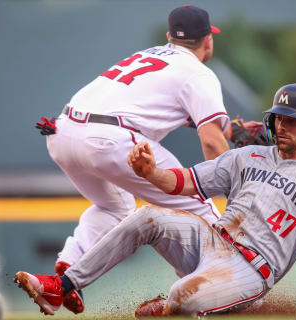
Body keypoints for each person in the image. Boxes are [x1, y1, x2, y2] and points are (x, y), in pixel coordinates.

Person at [15, 83, 296, 317]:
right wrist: (151, 174)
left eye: (292, 120)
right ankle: (62, 284)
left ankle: (173, 307)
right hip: (211, 240)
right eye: (279, 117)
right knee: (148, 217)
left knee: (181, 296)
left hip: (251, 268)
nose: (282, 125)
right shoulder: (248, 156)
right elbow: (188, 181)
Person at [34, 4, 262, 314]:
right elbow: (210, 141)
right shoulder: (198, 73)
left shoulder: (150, 55)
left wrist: (229, 128)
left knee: (114, 206)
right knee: (197, 203)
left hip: (62, 132)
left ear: (170, 37)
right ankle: (218, 294)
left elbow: (173, 109)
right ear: (209, 40)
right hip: (109, 139)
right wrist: (240, 192)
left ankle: (64, 272)